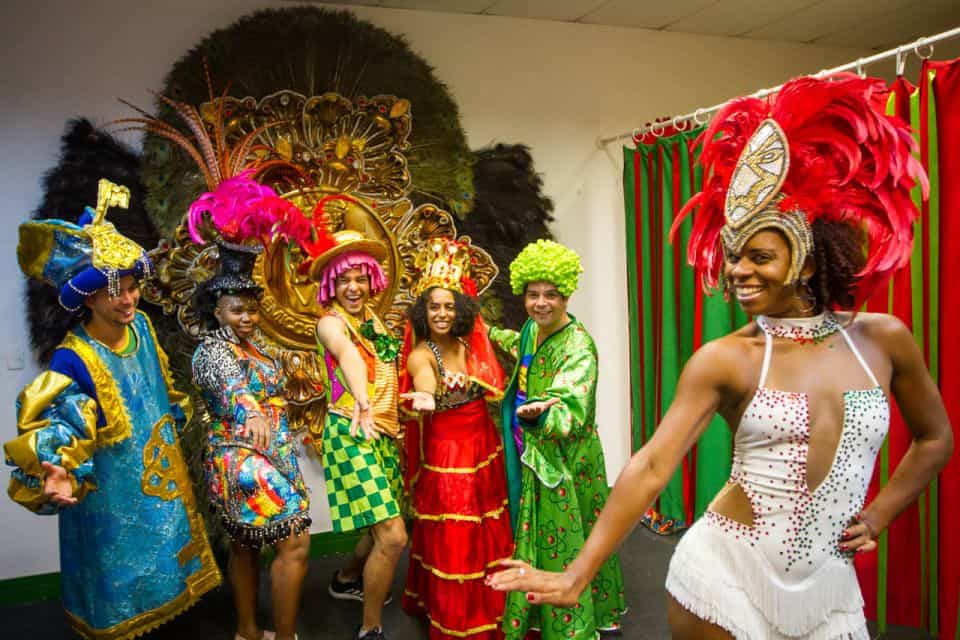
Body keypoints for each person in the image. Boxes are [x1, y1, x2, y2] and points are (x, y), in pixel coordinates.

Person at [488, 75, 954, 640]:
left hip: (832, 583)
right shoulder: (726, 358)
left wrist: (880, 513)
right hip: (724, 576)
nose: (738, 271)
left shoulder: (882, 338)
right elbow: (653, 464)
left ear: (807, 263)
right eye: (734, 257)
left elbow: (935, 439)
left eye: (759, 257)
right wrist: (577, 574)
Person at [5, 179, 221, 639]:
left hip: (162, 491)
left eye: (131, 287)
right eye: (114, 291)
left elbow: (160, 390)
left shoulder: (143, 325)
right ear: (87, 297)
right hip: (111, 505)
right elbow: (60, 425)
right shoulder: (73, 358)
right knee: (122, 604)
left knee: (176, 594)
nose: (128, 299)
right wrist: (58, 468)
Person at [189, 175, 318, 640]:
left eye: (251, 308)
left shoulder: (258, 346)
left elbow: (273, 387)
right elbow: (232, 388)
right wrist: (255, 412)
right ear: (217, 311)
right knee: (297, 544)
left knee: (246, 544)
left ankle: (247, 630)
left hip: (273, 452)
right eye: (235, 309)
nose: (246, 317)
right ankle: (284, 636)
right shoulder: (212, 349)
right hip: (239, 455)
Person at [486, 239, 626, 639]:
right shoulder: (532, 328)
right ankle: (541, 615)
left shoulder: (579, 345)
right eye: (533, 294)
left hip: (566, 461)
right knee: (554, 535)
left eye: (550, 295)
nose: (541, 303)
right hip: (534, 452)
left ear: (565, 295)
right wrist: (491, 333)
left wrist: (541, 415)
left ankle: (573, 626)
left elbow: (572, 406)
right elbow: (522, 348)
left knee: (570, 539)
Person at [399, 237, 513, 639]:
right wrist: (427, 396)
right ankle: (457, 618)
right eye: (434, 306)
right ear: (423, 311)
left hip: (482, 442)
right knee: (456, 531)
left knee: (486, 525)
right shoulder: (421, 354)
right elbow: (424, 382)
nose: (442, 313)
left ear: (460, 309)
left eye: (449, 305)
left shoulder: (470, 344)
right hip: (448, 454)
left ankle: (492, 602)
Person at [300, 219, 406, 640]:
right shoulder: (331, 323)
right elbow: (349, 358)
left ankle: (345, 579)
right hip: (350, 432)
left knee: (377, 526)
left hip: (382, 433)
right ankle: (371, 628)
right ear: (331, 285)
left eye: (361, 278)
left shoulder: (376, 324)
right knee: (394, 536)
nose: (354, 287)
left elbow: (387, 371)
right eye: (344, 280)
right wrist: (361, 398)